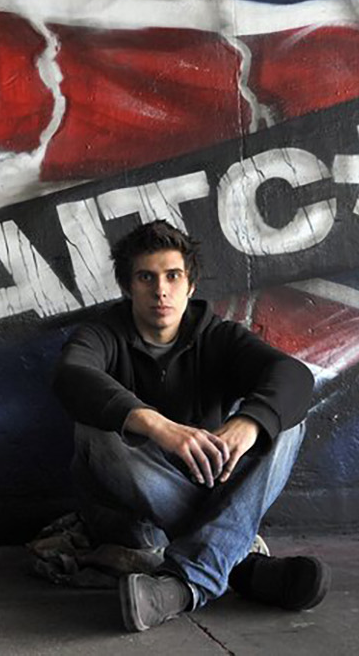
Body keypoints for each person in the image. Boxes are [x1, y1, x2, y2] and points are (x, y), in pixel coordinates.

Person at [53, 220, 327, 632]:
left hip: (207, 482)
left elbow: (294, 376)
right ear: (128, 287)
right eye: (146, 277)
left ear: (190, 285)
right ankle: (241, 565)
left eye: (172, 276)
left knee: (284, 422)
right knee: (94, 433)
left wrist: (249, 422)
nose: (160, 290)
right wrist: (155, 425)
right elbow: (70, 375)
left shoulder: (217, 337)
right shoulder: (102, 334)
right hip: (133, 513)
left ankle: (183, 586)